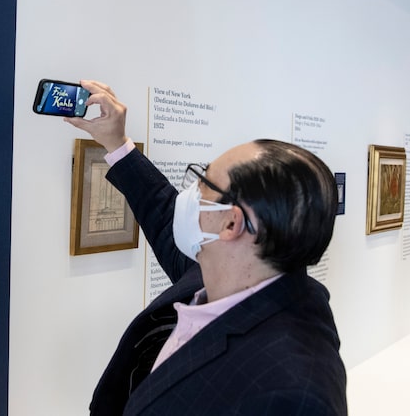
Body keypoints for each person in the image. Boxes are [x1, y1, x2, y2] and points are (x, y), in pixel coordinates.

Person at [66, 80, 347, 415]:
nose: (192, 196)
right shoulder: (220, 276)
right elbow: (162, 213)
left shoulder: (293, 392)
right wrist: (117, 142)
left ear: (231, 224)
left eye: (204, 182)